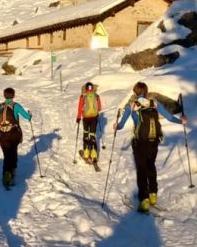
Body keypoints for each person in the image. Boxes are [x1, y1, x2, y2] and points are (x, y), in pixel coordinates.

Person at [114, 81, 186, 212]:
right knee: (151, 166)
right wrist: (181, 121)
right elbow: (169, 118)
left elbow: (122, 124)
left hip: (140, 142)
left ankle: (144, 200)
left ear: (135, 93)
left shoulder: (133, 105)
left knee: (141, 170)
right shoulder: (154, 104)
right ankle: (153, 195)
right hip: (154, 141)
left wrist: (116, 126)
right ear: (146, 92)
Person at [0, 87, 32, 188]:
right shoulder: (16, 106)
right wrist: (30, 114)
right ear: (13, 96)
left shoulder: (0, 106)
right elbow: (27, 117)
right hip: (14, 134)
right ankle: (11, 173)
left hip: (2, 135)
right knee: (13, 152)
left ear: (4, 95)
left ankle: (6, 174)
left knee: (6, 154)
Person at [76, 80, 102, 167]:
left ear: (86, 88)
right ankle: (94, 154)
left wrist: (79, 117)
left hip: (86, 118)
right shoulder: (96, 96)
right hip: (94, 118)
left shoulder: (83, 96)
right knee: (93, 135)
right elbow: (99, 108)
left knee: (86, 135)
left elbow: (80, 107)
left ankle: (86, 153)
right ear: (92, 88)